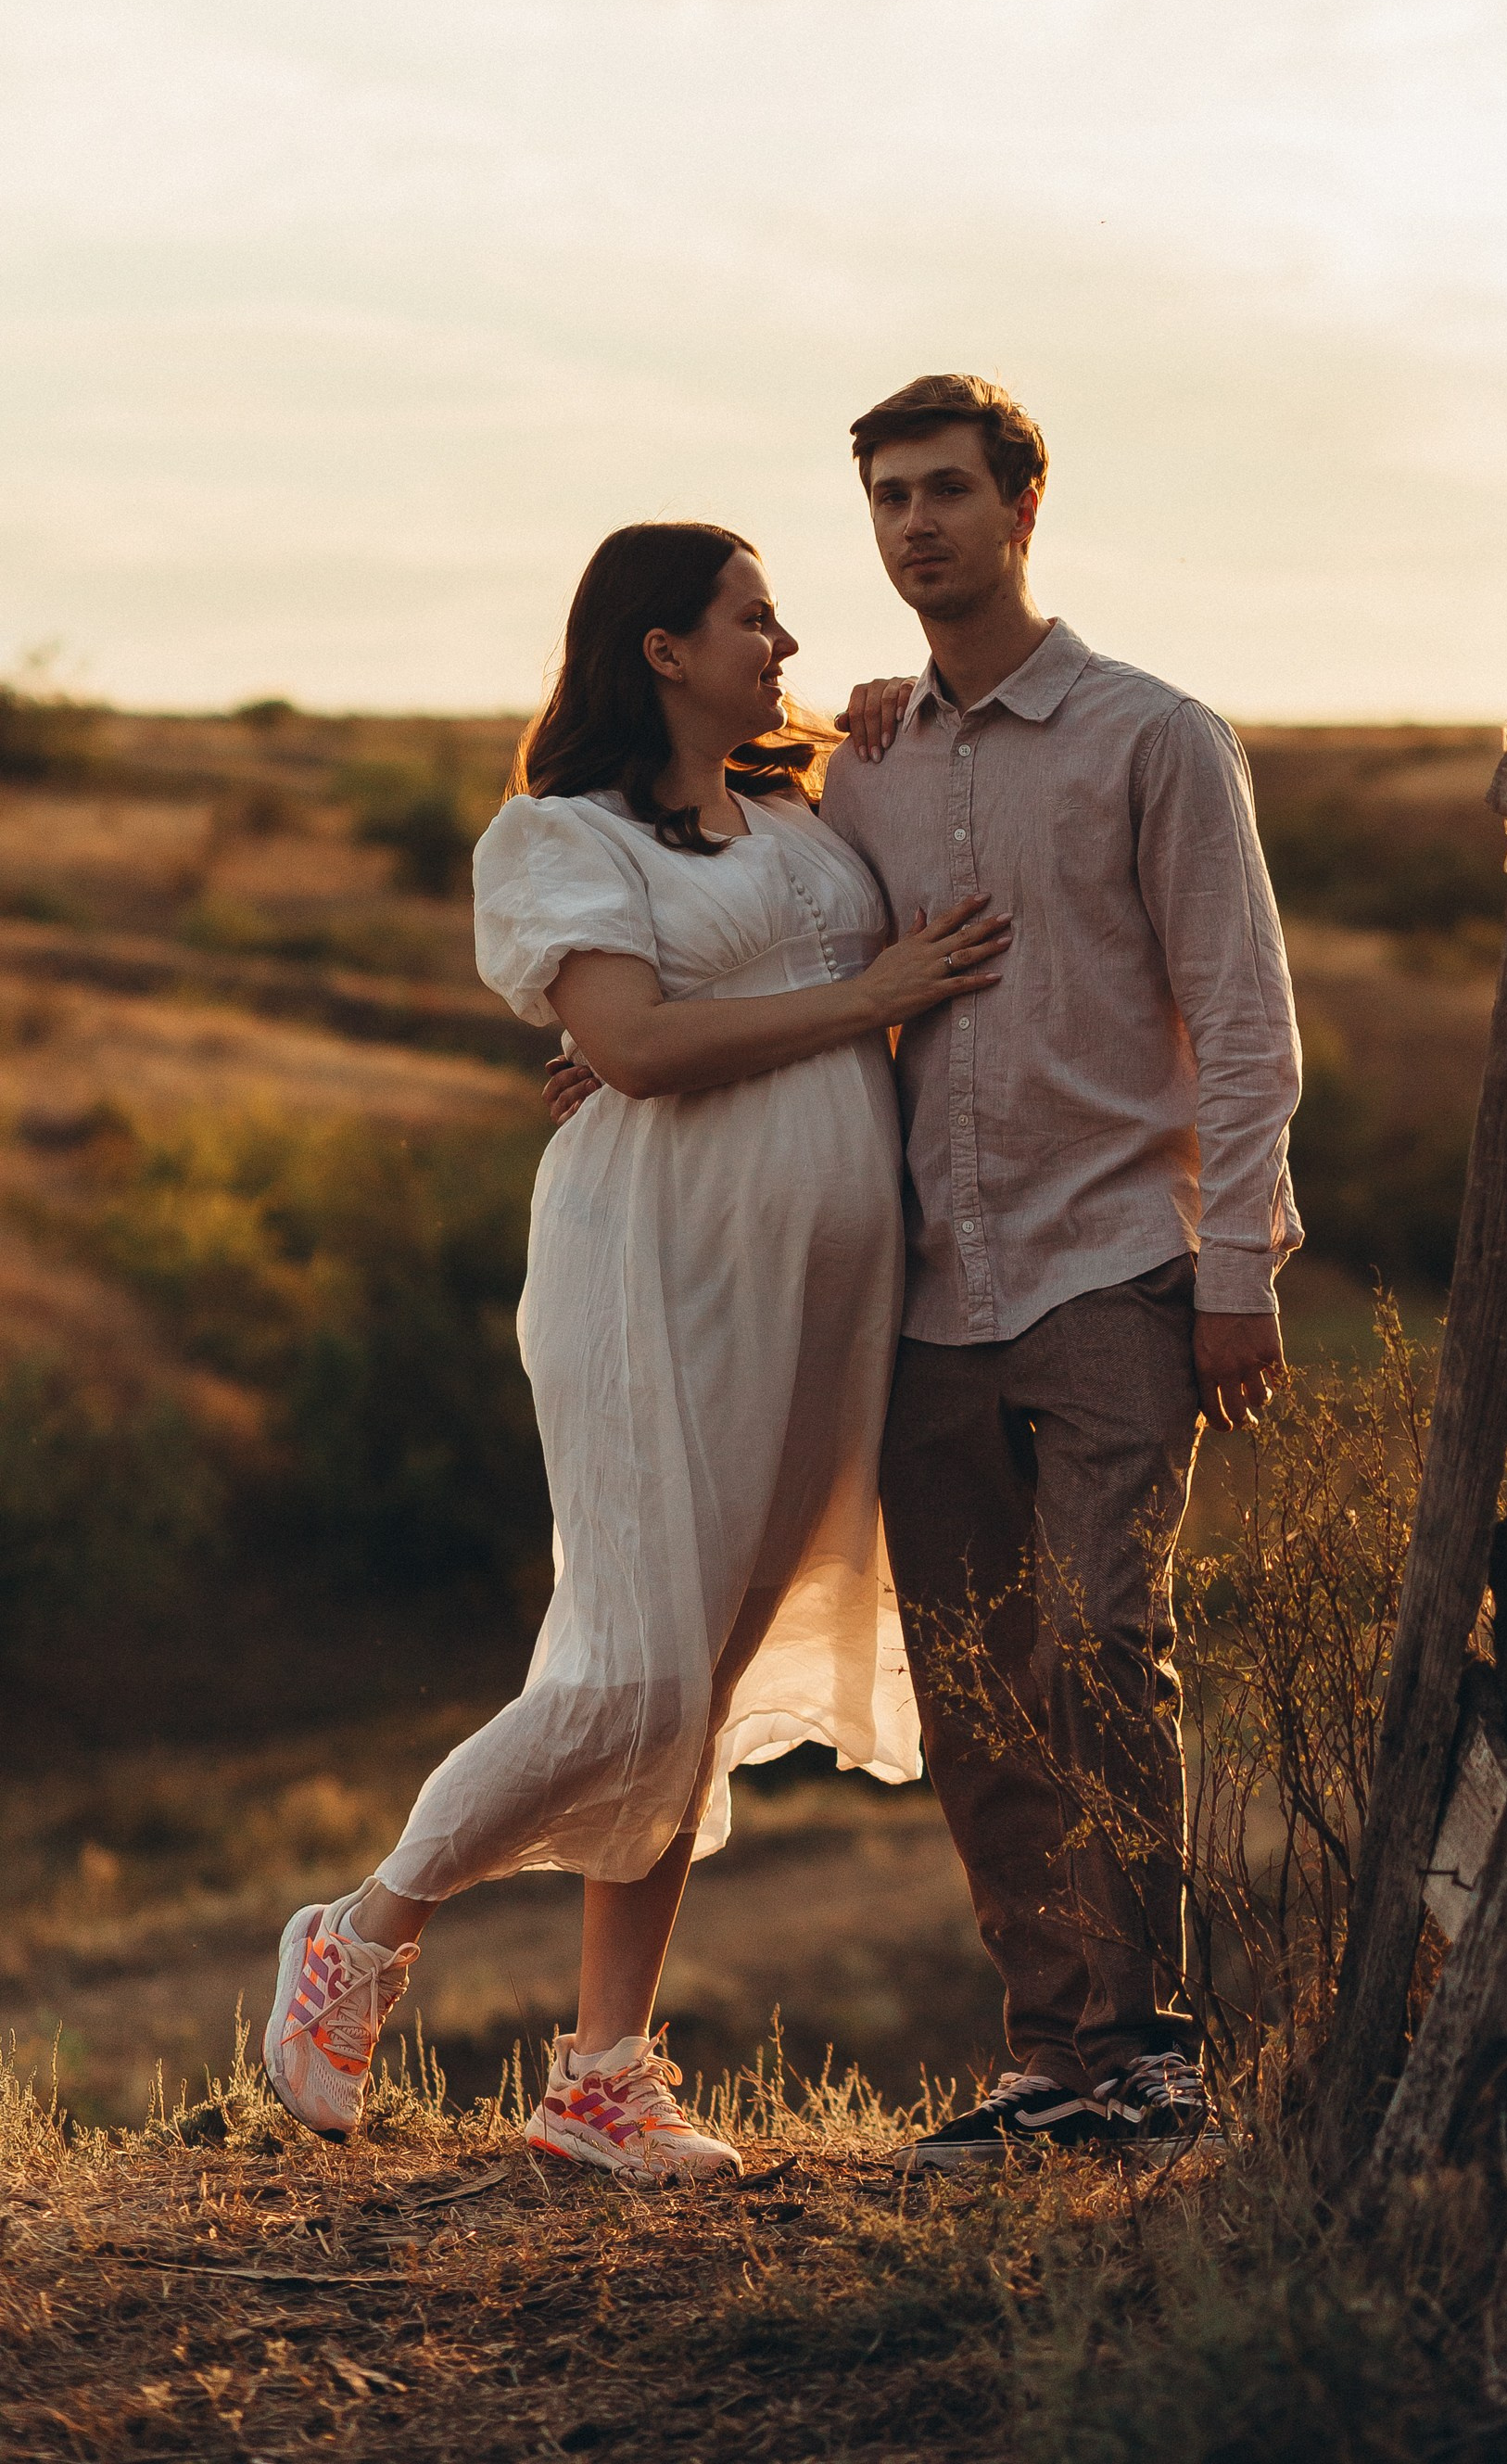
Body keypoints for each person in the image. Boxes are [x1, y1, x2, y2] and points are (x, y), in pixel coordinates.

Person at [560, 378, 1304, 2168]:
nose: (916, 527)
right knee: (973, 1679)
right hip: (923, 1296)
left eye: (949, 492)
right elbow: (748, 904)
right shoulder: (860, 757)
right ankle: (1056, 2057)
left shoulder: (1157, 738)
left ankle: (1151, 2051)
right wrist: (629, 1034)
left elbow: (1246, 1022)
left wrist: (1240, 1261)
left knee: (1105, 1640)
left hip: (1115, 1258)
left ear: (1021, 505)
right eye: (889, 499)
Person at [262, 522, 1008, 2180]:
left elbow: (739, 994)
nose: (786, 638)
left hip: (820, 1300)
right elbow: (636, 1048)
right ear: (662, 648)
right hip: (650, 1277)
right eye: (753, 617)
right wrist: (865, 992)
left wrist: (892, 715)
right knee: (632, 1669)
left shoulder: (801, 820)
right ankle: (360, 1935)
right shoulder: (559, 837)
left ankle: (601, 2075)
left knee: (702, 1687)